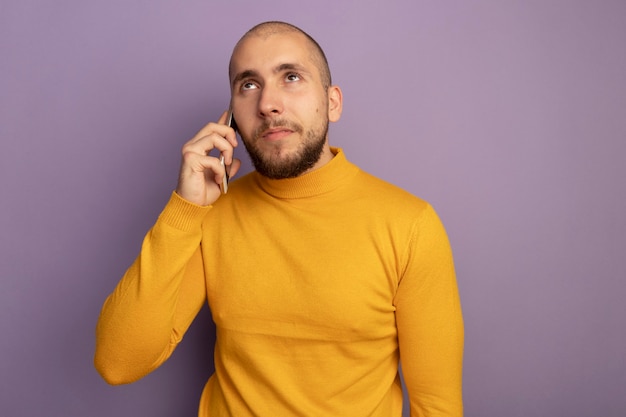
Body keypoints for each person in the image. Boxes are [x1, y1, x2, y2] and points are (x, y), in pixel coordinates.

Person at [95, 21, 464, 417]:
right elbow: (118, 363)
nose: (268, 103)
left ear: (333, 102)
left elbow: (436, 404)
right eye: (248, 85)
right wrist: (184, 209)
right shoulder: (211, 212)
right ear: (232, 116)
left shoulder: (410, 225)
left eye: (291, 77)